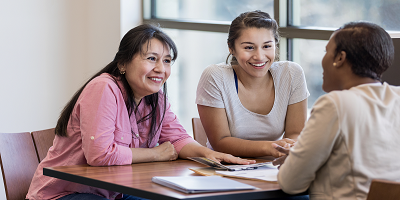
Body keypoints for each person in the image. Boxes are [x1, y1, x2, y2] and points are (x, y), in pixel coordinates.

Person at [26, 24, 254, 200]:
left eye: (167, 61)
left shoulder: (156, 99)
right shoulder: (104, 87)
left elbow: (177, 139)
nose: (161, 69)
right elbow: (100, 154)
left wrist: (210, 155)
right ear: (123, 63)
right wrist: (155, 154)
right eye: (151, 59)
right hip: (63, 194)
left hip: (112, 193)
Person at [272, 21, 400, 199]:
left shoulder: (335, 103)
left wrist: (296, 163)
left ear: (340, 58)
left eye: (326, 51)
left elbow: (290, 183)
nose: (323, 59)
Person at [195, 10, 309, 158]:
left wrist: (288, 148)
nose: (259, 57)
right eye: (249, 47)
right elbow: (220, 142)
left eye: (267, 46)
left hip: (273, 168)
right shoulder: (215, 76)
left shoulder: (291, 73)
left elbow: (296, 133)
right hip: (225, 168)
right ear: (231, 47)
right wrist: (270, 147)